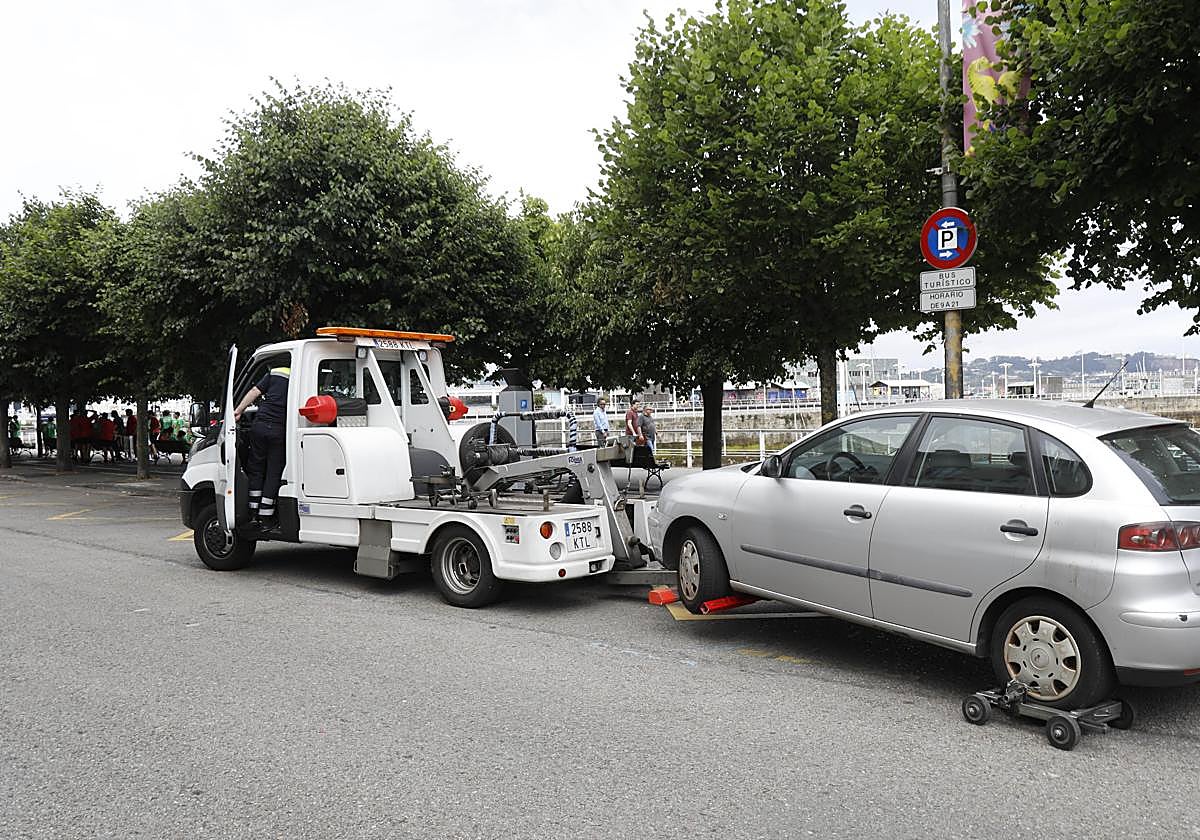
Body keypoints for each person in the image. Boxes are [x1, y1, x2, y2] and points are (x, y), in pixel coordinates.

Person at [234, 365, 290, 531]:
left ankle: (252, 512)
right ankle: (266, 516)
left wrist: (238, 411)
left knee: (256, 468)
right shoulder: (300, 375)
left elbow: (254, 391)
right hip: (279, 430)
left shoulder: (275, 373)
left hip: (260, 425)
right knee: (273, 471)